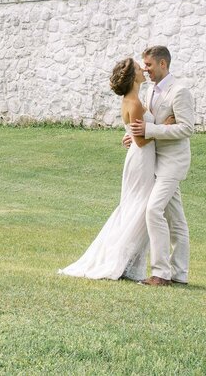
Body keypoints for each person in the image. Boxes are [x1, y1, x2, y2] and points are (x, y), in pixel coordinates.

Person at [58, 58, 171, 281]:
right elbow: (140, 141)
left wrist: (142, 132)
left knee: (135, 207)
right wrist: (164, 127)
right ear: (132, 77)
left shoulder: (134, 100)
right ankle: (118, 259)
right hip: (141, 160)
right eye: (140, 69)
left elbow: (135, 133)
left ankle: (128, 262)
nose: (143, 71)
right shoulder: (135, 103)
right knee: (139, 208)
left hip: (141, 159)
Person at [125, 45, 194, 287]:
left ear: (163, 64)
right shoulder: (150, 92)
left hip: (173, 163)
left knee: (153, 210)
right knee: (176, 221)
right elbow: (148, 124)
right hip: (155, 160)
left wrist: (150, 130)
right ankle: (180, 274)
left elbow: (187, 128)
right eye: (144, 65)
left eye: (150, 65)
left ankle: (161, 273)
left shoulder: (180, 91)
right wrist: (135, 135)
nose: (146, 69)